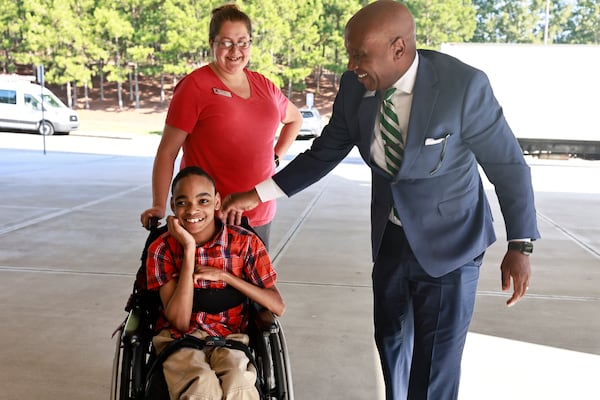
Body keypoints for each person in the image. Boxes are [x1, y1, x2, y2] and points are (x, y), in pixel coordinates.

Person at [220, 1, 540, 399]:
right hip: (392, 238)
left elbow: (508, 166)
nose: (352, 64)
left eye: (360, 54)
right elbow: (323, 153)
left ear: (399, 49)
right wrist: (255, 194)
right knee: (390, 343)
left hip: (451, 242)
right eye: (350, 53)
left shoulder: (463, 87)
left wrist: (520, 244)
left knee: (434, 363)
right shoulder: (356, 88)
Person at [140, 3, 302, 248]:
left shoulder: (264, 85)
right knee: (206, 284)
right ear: (211, 43)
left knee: (253, 286)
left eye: (243, 42)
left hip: (259, 211)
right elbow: (167, 151)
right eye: (226, 42)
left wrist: (276, 157)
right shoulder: (195, 87)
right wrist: (159, 205)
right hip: (210, 219)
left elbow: (294, 119)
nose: (235, 50)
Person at [146, 166, 285, 400]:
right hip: (179, 340)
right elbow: (179, 322)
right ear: (172, 206)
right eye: (183, 203)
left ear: (217, 202)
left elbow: (277, 306)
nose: (193, 210)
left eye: (203, 201)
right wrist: (189, 249)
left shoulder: (245, 243)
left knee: (239, 384)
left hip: (229, 338)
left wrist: (226, 277)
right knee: (201, 385)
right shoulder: (162, 248)